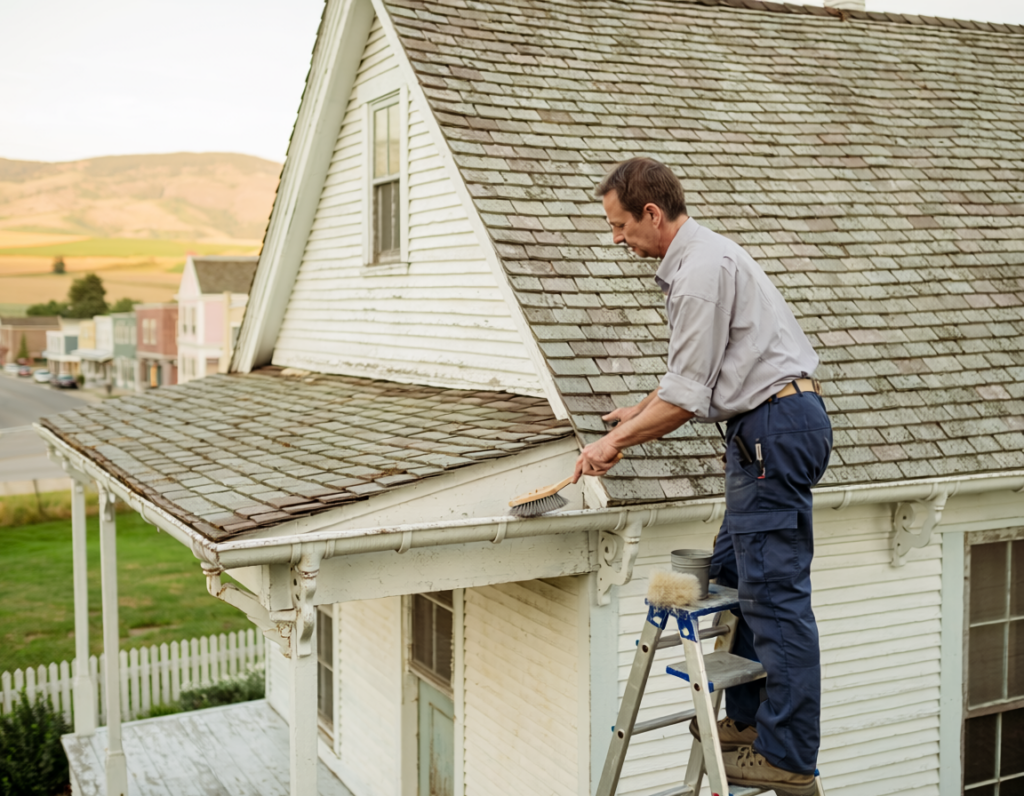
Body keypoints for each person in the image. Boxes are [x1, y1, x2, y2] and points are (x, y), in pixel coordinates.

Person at [573, 157, 832, 795]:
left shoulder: (697, 275)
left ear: (652, 215)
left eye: (619, 226)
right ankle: (748, 722)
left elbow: (688, 399)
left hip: (774, 429)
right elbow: (696, 374)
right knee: (737, 576)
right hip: (767, 429)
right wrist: (639, 408)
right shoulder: (703, 260)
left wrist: (612, 443)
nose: (617, 239)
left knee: (775, 598)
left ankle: (788, 756)